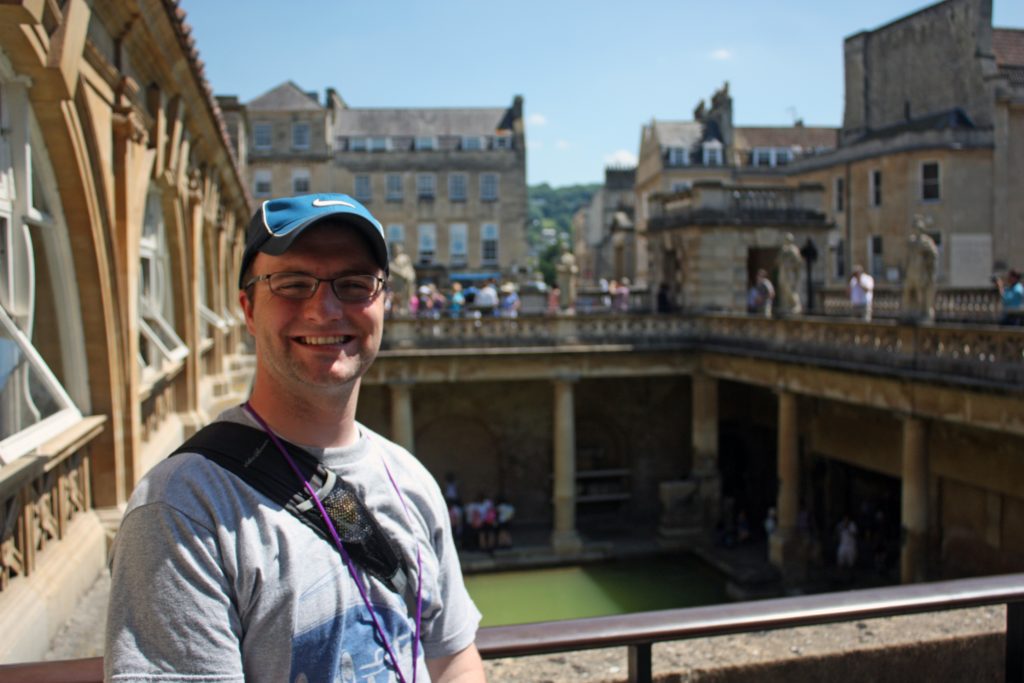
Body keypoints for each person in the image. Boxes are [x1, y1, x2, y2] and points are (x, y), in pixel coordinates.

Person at [106, 193, 485, 682]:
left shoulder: (411, 480)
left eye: (354, 284)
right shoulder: (183, 510)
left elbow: (452, 658)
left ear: (384, 303)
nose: (325, 309)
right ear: (247, 307)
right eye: (292, 283)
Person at [775, 233, 803, 315]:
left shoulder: (794, 250)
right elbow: (778, 261)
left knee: (790, 289)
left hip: (790, 272)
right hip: (783, 272)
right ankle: (786, 306)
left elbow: (798, 262)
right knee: (783, 288)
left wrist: (789, 265)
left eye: (788, 239)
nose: (787, 241)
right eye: (786, 239)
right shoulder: (784, 249)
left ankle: (796, 305)